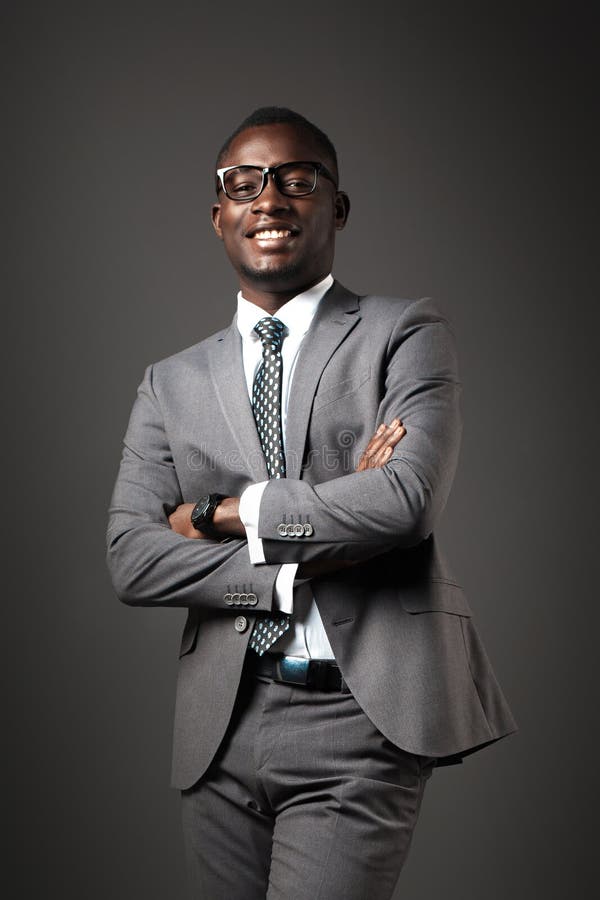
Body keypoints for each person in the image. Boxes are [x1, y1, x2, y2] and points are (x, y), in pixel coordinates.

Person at [106, 106, 517, 899]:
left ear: (338, 206)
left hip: (358, 722)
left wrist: (218, 514)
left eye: (298, 180)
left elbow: (403, 500)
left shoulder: (404, 332)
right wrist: (289, 571)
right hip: (219, 729)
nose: (270, 199)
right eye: (244, 183)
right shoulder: (170, 382)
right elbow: (131, 556)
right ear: (218, 212)